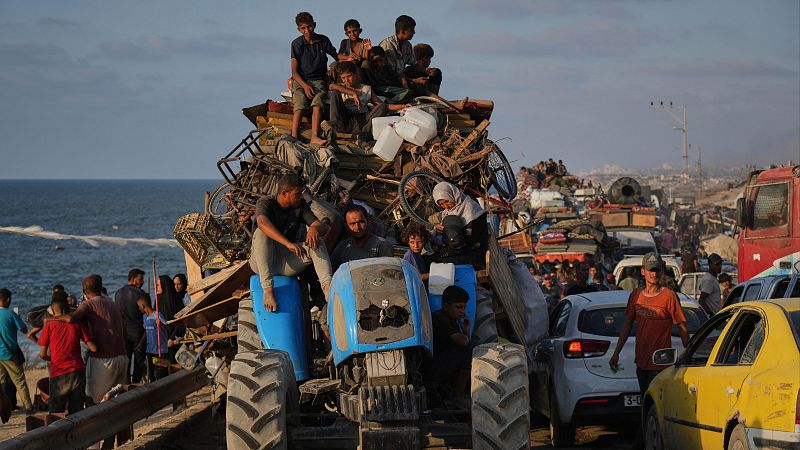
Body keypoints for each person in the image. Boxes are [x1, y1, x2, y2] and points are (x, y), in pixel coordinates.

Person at [250, 173, 333, 312]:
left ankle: (328, 288)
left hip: (286, 261)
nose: (301, 196)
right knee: (261, 234)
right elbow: (262, 223)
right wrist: (287, 243)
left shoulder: (300, 206)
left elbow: (321, 226)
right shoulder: (266, 202)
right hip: (262, 262)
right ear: (284, 193)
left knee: (316, 242)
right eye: (297, 193)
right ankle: (268, 290)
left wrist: (314, 228)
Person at [609, 253, 690, 395]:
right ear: (643, 271)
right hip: (641, 362)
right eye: (651, 270)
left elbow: (682, 327)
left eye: (657, 269)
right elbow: (627, 326)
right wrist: (616, 353)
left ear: (662, 271)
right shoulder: (635, 296)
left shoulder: (669, 297)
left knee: (657, 403)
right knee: (646, 403)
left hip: (661, 363)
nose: (654, 273)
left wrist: (690, 355)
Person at [47, 275, 128, 404]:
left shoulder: (89, 304)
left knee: (93, 400)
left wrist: (49, 319)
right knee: (119, 400)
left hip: (103, 361)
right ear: (101, 288)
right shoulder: (112, 304)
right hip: (122, 358)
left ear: (84, 291)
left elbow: (71, 319)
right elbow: (125, 331)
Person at [38, 291, 97, 414]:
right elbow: (93, 348)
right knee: (77, 413)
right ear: (67, 307)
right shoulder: (77, 323)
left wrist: (52, 358)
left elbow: (42, 354)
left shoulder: (49, 325)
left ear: (52, 310)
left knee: (56, 414)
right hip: (77, 371)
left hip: (58, 373)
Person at [328, 61, 407, 144]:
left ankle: (363, 135)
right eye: (343, 78)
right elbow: (331, 86)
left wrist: (403, 106)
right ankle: (332, 127)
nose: (346, 80)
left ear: (356, 74)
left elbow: (383, 106)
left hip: (360, 123)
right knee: (335, 93)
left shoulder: (366, 89)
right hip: (343, 122)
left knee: (382, 106)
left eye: (349, 76)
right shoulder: (341, 87)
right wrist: (353, 93)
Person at [290, 11, 338, 146]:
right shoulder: (297, 44)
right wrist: (305, 86)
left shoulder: (323, 40)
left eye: (309, 27)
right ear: (299, 29)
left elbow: (337, 56)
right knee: (299, 103)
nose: (307, 30)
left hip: (319, 81)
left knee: (317, 103)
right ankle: (294, 135)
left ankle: (314, 136)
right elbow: (294, 72)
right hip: (301, 80)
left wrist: (350, 57)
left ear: (314, 25)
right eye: (303, 28)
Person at [426, 285, 473, 401]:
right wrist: (467, 331)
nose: (463, 311)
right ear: (446, 306)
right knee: (469, 349)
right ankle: (458, 396)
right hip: (433, 368)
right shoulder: (440, 319)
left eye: (464, 307)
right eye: (459, 307)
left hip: (443, 364)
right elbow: (463, 342)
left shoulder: (453, 320)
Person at [431, 182, 488, 268]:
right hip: (460, 250)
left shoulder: (469, 208)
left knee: (438, 261)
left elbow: (470, 239)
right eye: (441, 204)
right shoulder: (446, 213)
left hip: (474, 253)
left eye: (446, 201)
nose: (446, 206)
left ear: (453, 195)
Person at [330, 204, 394, 272]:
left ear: (368, 221)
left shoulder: (381, 245)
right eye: (352, 224)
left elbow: (387, 273)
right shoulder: (342, 247)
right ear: (346, 226)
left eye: (361, 222)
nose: (357, 227)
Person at [0, 288, 34, 414]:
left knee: (1, 382)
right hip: (9, 354)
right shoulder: (11, 314)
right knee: (20, 382)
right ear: (8, 299)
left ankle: (3, 406)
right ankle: (29, 407)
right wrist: (17, 318)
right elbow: (24, 330)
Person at [114, 268, 146, 384]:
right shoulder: (139, 293)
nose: (142, 282)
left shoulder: (118, 293)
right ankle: (136, 384)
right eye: (140, 279)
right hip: (137, 332)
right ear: (133, 279)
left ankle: (126, 385)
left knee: (126, 361)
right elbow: (146, 311)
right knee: (138, 361)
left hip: (124, 333)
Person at [136, 294, 171, 382]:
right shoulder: (145, 317)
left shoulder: (158, 315)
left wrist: (161, 324)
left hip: (160, 351)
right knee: (151, 375)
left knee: (161, 374)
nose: (138, 308)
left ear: (143, 306)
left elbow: (168, 329)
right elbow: (146, 331)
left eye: (139, 306)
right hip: (150, 351)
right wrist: (140, 344)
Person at [379, 15, 417, 80]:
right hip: (388, 79)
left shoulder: (407, 45)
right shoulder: (388, 45)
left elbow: (413, 62)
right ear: (403, 31)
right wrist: (413, 80)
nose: (414, 32)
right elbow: (389, 72)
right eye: (412, 30)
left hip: (400, 78)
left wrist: (426, 70)